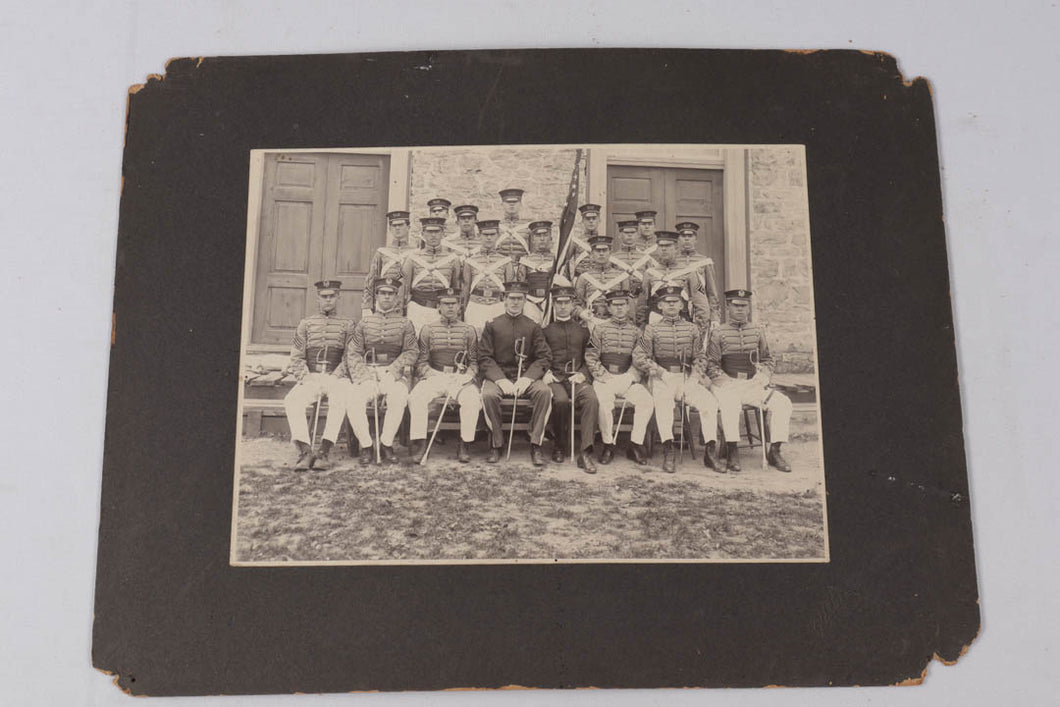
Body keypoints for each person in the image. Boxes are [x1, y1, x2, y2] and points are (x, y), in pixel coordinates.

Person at [633, 285, 721, 474]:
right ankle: (668, 450)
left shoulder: (692, 329)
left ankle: (710, 452)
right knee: (664, 404)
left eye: (675, 302)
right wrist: (659, 372)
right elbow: (639, 357)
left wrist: (694, 377)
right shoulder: (651, 329)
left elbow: (700, 356)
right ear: (660, 306)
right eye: (667, 302)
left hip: (686, 376)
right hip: (661, 377)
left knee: (709, 403)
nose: (671, 305)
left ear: (682, 305)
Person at [707, 289, 794, 473]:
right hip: (726, 385)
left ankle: (775, 451)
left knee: (783, 402)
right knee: (730, 404)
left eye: (743, 306)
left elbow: (768, 359)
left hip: (752, 384)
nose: (740, 309)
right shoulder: (718, 333)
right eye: (735, 305)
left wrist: (763, 376)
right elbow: (711, 365)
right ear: (728, 307)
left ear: (748, 308)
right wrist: (726, 381)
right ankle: (732, 451)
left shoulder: (757, 331)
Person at [344, 277, 418, 464]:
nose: (386, 297)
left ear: (396, 297)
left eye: (391, 293)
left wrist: (393, 371)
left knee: (399, 396)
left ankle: (386, 444)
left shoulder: (405, 324)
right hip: (368, 371)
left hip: (394, 373)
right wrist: (364, 375)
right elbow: (353, 353)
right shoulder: (364, 323)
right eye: (383, 293)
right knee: (354, 399)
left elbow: (411, 351)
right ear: (376, 296)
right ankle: (367, 446)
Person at [478, 281, 553, 466]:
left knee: (544, 393)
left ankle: (536, 443)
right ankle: (497, 443)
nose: (515, 302)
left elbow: (544, 357)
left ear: (525, 301)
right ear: (504, 299)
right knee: (487, 395)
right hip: (500, 375)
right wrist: (500, 380)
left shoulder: (533, 326)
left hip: (525, 375)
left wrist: (527, 378)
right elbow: (484, 357)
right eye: (511, 298)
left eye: (519, 299)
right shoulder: (492, 325)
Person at [282, 280, 355, 471]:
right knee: (291, 400)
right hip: (311, 377)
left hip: (337, 377)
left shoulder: (348, 325)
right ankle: (305, 451)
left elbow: (351, 357)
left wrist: (337, 375)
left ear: (338, 297)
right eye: (324, 296)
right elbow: (296, 356)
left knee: (340, 399)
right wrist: (305, 377)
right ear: (318, 298)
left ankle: (324, 450)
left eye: (332, 296)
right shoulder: (305, 324)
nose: (328, 300)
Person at [406, 287, 481, 463]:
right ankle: (421, 444)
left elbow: (474, 362)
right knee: (416, 397)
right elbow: (421, 362)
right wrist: (430, 374)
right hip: (435, 376)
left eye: (453, 304)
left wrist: (467, 375)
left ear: (460, 307)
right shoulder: (427, 330)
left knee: (472, 399)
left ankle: (464, 444)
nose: (450, 307)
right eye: (445, 304)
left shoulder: (469, 331)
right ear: (438, 306)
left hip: (459, 378)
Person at [585, 289, 654, 465]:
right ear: (608, 307)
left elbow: (641, 358)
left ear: (628, 306)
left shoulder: (637, 332)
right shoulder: (599, 330)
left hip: (627, 378)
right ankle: (608, 444)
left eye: (622, 305)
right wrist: (604, 376)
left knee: (646, 401)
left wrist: (631, 376)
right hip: (605, 378)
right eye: (615, 305)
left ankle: (635, 444)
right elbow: (591, 357)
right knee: (604, 403)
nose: (619, 309)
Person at [542, 285, 599, 472]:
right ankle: (559, 445)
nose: (563, 306)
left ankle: (586, 451)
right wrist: (546, 372)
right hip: (556, 378)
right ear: (554, 305)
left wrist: (583, 373)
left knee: (590, 398)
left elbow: (589, 356)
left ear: (573, 304)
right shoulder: (546, 331)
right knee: (560, 401)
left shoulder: (583, 331)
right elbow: (540, 356)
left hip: (577, 377)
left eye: (567, 302)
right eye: (559, 303)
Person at [640, 230, 714, 331]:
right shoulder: (649, 273)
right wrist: (641, 327)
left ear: (676, 248)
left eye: (668, 246)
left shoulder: (690, 272)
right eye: (661, 246)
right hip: (655, 324)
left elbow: (701, 302)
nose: (664, 249)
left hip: (682, 323)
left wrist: (700, 328)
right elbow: (642, 304)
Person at [402, 217, 463, 335]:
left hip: (441, 309)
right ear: (423, 234)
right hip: (417, 307)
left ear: (443, 233)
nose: (433, 235)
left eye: (437, 231)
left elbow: (456, 287)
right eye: (429, 232)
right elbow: (405, 287)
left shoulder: (453, 259)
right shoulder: (412, 258)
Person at [573, 235, 637, 330]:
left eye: (604, 250)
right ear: (591, 254)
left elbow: (628, 303)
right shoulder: (584, 277)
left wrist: (630, 324)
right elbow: (576, 303)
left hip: (617, 323)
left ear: (610, 253)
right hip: (591, 322)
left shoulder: (622, 277)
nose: (601, 254)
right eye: (598, 251)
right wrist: (581, 313)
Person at [361, 210, 416, 318]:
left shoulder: (416, 252)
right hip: (385, 302)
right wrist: (367, 306)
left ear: (408, 227)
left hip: (409, 304)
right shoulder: (382, 252)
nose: (397, 228)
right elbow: (371, 280)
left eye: (401, 225)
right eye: (394, 225)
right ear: (390, 229)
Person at [461, 219, 511, 337]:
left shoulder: (505, 261)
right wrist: (463, 308)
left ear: (497, 236)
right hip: (476, 305)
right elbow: (466, 287)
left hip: (497, 305)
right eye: (485, 234)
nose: (489, 238)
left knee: (499, 340)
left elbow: (509, 289)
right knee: (474, 340)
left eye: (492, 234)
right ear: (479, 236)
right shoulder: (470, 261)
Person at [503, 220, 555, 323]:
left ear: (550, 238)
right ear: (533, 239)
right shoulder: (525, 260)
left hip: (550, 302)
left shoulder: (556, 259)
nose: (542, 239)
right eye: (538, 235)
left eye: (545, 235)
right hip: (531, 302)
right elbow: (520, 284)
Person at [675, 221, 722, 327]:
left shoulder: (704, 262)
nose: (686, 239)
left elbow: (711, 292)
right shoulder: (673, 261)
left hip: (699, 310)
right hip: (677, 310)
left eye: (690, 236)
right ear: (678, 239)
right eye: (683, 236)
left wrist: (715, 317)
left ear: (695, 239)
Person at [610, 219, 658, 323]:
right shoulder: (612, 258)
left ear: (637, 235)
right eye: (626, 233)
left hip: (641, 300)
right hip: (620, 301)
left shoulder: (646, 258)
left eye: (632, 233)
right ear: (620, 235)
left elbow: (651, 281)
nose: (629, 235)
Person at [565, 203, 603, 279]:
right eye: (587, 219)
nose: (591, 221)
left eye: (594, 218)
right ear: (582, 220)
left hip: (598, 280)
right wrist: (568, 280)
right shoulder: (575, 241)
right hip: (580, 278)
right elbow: (565, 262)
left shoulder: (604, 241)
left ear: (599, 220)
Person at [496, 188, 530, 262]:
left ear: (521, 203)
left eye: (515, 202)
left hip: (521, 266)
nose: (512, 204)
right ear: (502, 204)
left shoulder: (528, 227)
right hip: (501, 266)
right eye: (508, 202)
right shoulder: (496, 227)